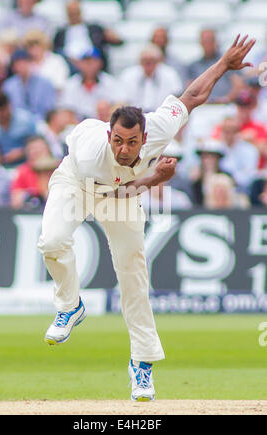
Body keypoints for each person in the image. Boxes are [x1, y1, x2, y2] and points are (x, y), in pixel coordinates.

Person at [37, 35, 255, 401]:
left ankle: (142, 364)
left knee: (133, 275)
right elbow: (116, 192)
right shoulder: (95, 153)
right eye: (119, 141)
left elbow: (192, 97)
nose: (125, 149)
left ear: (144, 136)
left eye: (132, 142)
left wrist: (222, 65)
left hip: (122, 191)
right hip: (78, 181)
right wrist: (154, 179)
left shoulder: (157, 128)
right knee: (53, 242)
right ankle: (70, 305)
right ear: (110, 135)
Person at [53, 0, 123, 73]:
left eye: (76, 12)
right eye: (71, 13)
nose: (74, 15)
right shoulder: (60, 33)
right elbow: (56, 51)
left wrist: (113, 37)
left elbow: (118, 42)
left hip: (92, 62)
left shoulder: (95, 29)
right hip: (68, 65)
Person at [59, 47, 125, 120]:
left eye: (93, 61)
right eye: (86, 62)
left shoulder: (110, 82)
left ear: (100, 63)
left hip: (104, 123)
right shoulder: (71, 83)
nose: (89, 65)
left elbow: (119, 104)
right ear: (79, 63)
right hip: (78, 125)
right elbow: (66, 110)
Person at [0, 92, 37, 167]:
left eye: (5, 110)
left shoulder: (26, 121)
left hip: (23, 165)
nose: (3, 114)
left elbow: (37, 144)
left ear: (10, 106)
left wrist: (23, 152)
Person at [120, 44, 183, 112]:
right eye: (144, 60)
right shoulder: (128, 75)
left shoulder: (170, 74)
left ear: (159, 61)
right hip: (133, 117)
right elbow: (123, 101)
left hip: (163, 116)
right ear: (139, 61)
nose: (148, 63)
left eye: (152, 60)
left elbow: (177, 98)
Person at [188, 29, 244, 103]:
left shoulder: (228, 62)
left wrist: (225, 99)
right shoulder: (194, 66)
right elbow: (189, 89)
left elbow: (239, 86)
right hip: (201, 107)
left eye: (210, 41)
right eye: (204, 41)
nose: (207, 44)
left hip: (226, 106)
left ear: (216, 42)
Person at [3, 49, 56, 120]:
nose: (21, 67)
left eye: (24, 63)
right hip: (17, 124)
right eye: (17, 64)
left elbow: (49, 108)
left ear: (31, 63)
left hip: (41, 123)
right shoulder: (8, 85)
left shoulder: (45, 83)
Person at [10, 135, 53, 209]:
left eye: (40, 149)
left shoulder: (58, 168)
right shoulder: (22, 171)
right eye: (33, 149)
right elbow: (15, 200)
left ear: (48, 150)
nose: (36, 152)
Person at [23, 30, 70, 96]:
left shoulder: (56, 61)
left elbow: (60, 85)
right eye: (31, 46)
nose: (34, 49)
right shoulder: (26, 63)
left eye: (37, 45)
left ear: (44, 45)